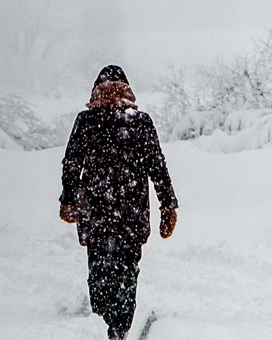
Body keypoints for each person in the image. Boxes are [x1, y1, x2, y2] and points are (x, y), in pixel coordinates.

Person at [59, 65, 179, 340]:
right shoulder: (140, 122)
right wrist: (167, 205)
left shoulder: (87, 120)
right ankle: (120, 329)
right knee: (127, 274)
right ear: (128, 91)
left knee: (99, 271)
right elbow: (157, 167)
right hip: (131, 216)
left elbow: (71, 164)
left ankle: (101, 325)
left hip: (96, 215)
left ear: (95, 91)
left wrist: (68, 198)